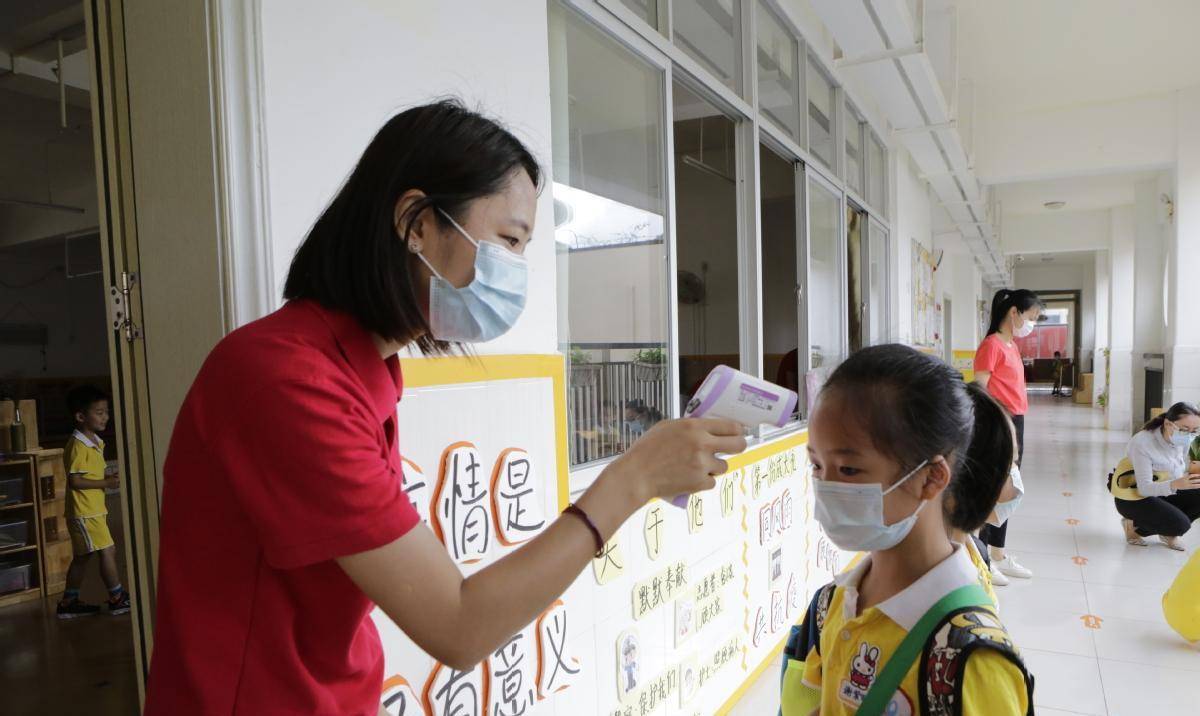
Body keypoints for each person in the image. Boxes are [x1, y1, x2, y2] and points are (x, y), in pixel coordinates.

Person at [143, 101, 745, 715]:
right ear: (416, 222)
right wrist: (634, 477)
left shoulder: (365, 369)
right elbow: (459, 626)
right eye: (507, 241)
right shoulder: (285, 379)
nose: (513, 271)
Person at [779, 345, 1032, 715]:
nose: (826, 487)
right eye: (816, 466)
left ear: (931, 478)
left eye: (849, 470)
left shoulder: (972, 661)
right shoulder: (835, 603)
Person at [973, 288, 1044, 586]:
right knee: (994, 490)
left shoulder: (1010, 345)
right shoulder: (991, 345)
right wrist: (1000, 425)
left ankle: (999, 555)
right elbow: (980, 390)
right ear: (1013, 312)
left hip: (1016, 420)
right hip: (1000, 423)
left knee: (1010, 488)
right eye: (1031, 317)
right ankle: (984, 559)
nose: (1032, 324)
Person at [57, 386, 131, 618]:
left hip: (92, 511)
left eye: (106, 412)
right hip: (85, 513)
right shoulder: (78, 447)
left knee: (83, 557)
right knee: (108, 551)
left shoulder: (93, 442)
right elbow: (76, 482)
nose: (105, 417)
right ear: (80, 417)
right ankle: (117, 598)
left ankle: (69, 603)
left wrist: (105, 480)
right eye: (99, 412)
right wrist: (105, 483)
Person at [1111, 402, 1200, 551]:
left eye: (1195, 431)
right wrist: (1177, 484)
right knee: (1181, 525)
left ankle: (1167, 532)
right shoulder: (1143, 443)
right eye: (1185, 430)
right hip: (1133, 497)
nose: (1190, 435)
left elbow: (1178, 468)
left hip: (1164, 489)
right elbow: (1144, 489)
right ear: (1168, 424)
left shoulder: (1182, 439)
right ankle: (1133, 526)